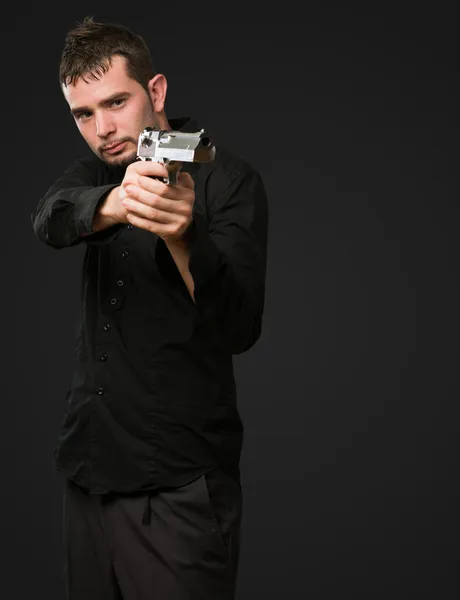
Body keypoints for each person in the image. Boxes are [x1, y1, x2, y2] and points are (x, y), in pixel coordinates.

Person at [31, 15, 268, 600]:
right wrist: (114, 202)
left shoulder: (231, 181)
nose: (103, 129)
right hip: (87, 477)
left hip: (179, 487)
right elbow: (49, 218)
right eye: (83, 114)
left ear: (155, 91)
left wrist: (186, 238)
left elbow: (239, 327)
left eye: (115, 102)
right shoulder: (98, 170)